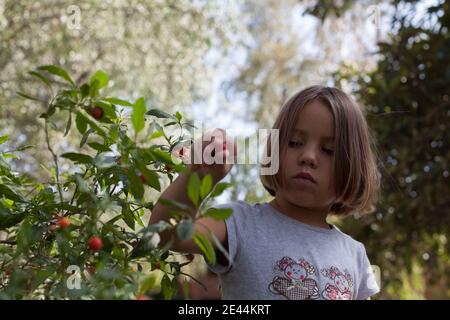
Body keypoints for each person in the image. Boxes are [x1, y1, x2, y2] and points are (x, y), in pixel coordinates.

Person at [149, 85, 381, 300]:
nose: (308, 156)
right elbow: (165, 235)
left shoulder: (355, 255)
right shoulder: (238, 223)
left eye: (328, 150)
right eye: (294, 142)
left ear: (353, 167)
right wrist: (200, 175)